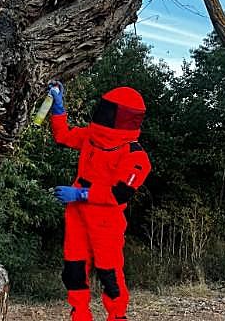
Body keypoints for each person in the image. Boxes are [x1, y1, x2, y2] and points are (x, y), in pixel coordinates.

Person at [47, 82, 151, 321]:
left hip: (106, 221)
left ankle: (117, 316)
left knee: (109, 273)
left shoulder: (135, 155)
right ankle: (80, 314)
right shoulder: (92, 137)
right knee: (74, 269)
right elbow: (63, 136)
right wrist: (58, 107)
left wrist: (80, 194)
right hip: (77, 216)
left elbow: (119, 194)